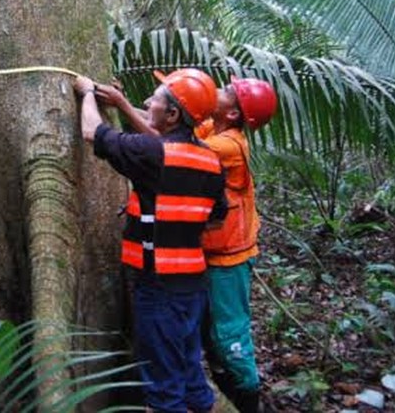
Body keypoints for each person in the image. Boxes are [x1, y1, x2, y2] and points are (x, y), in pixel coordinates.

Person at [75, 69, 227, 413]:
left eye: (155, 99)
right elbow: (216, 214)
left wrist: (86, 93)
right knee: (189, 370)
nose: (148, 103)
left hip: (159, 287)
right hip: (193, 286)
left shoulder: (152, 153)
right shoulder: (211, 161)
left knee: (163, 385)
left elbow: (92, 132)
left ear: (172, 115)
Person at [194, 77, 277, 413]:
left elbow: (169, 146)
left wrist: (124, 108)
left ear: (233, 113)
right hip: (210, 254)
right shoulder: (212, 126)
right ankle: (227, 387)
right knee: (209, 331)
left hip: (228, 260)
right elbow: (166, 125)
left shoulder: (228, 145)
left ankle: (248, 399)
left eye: (227, 93)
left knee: (230, 333)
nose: (218, 91)